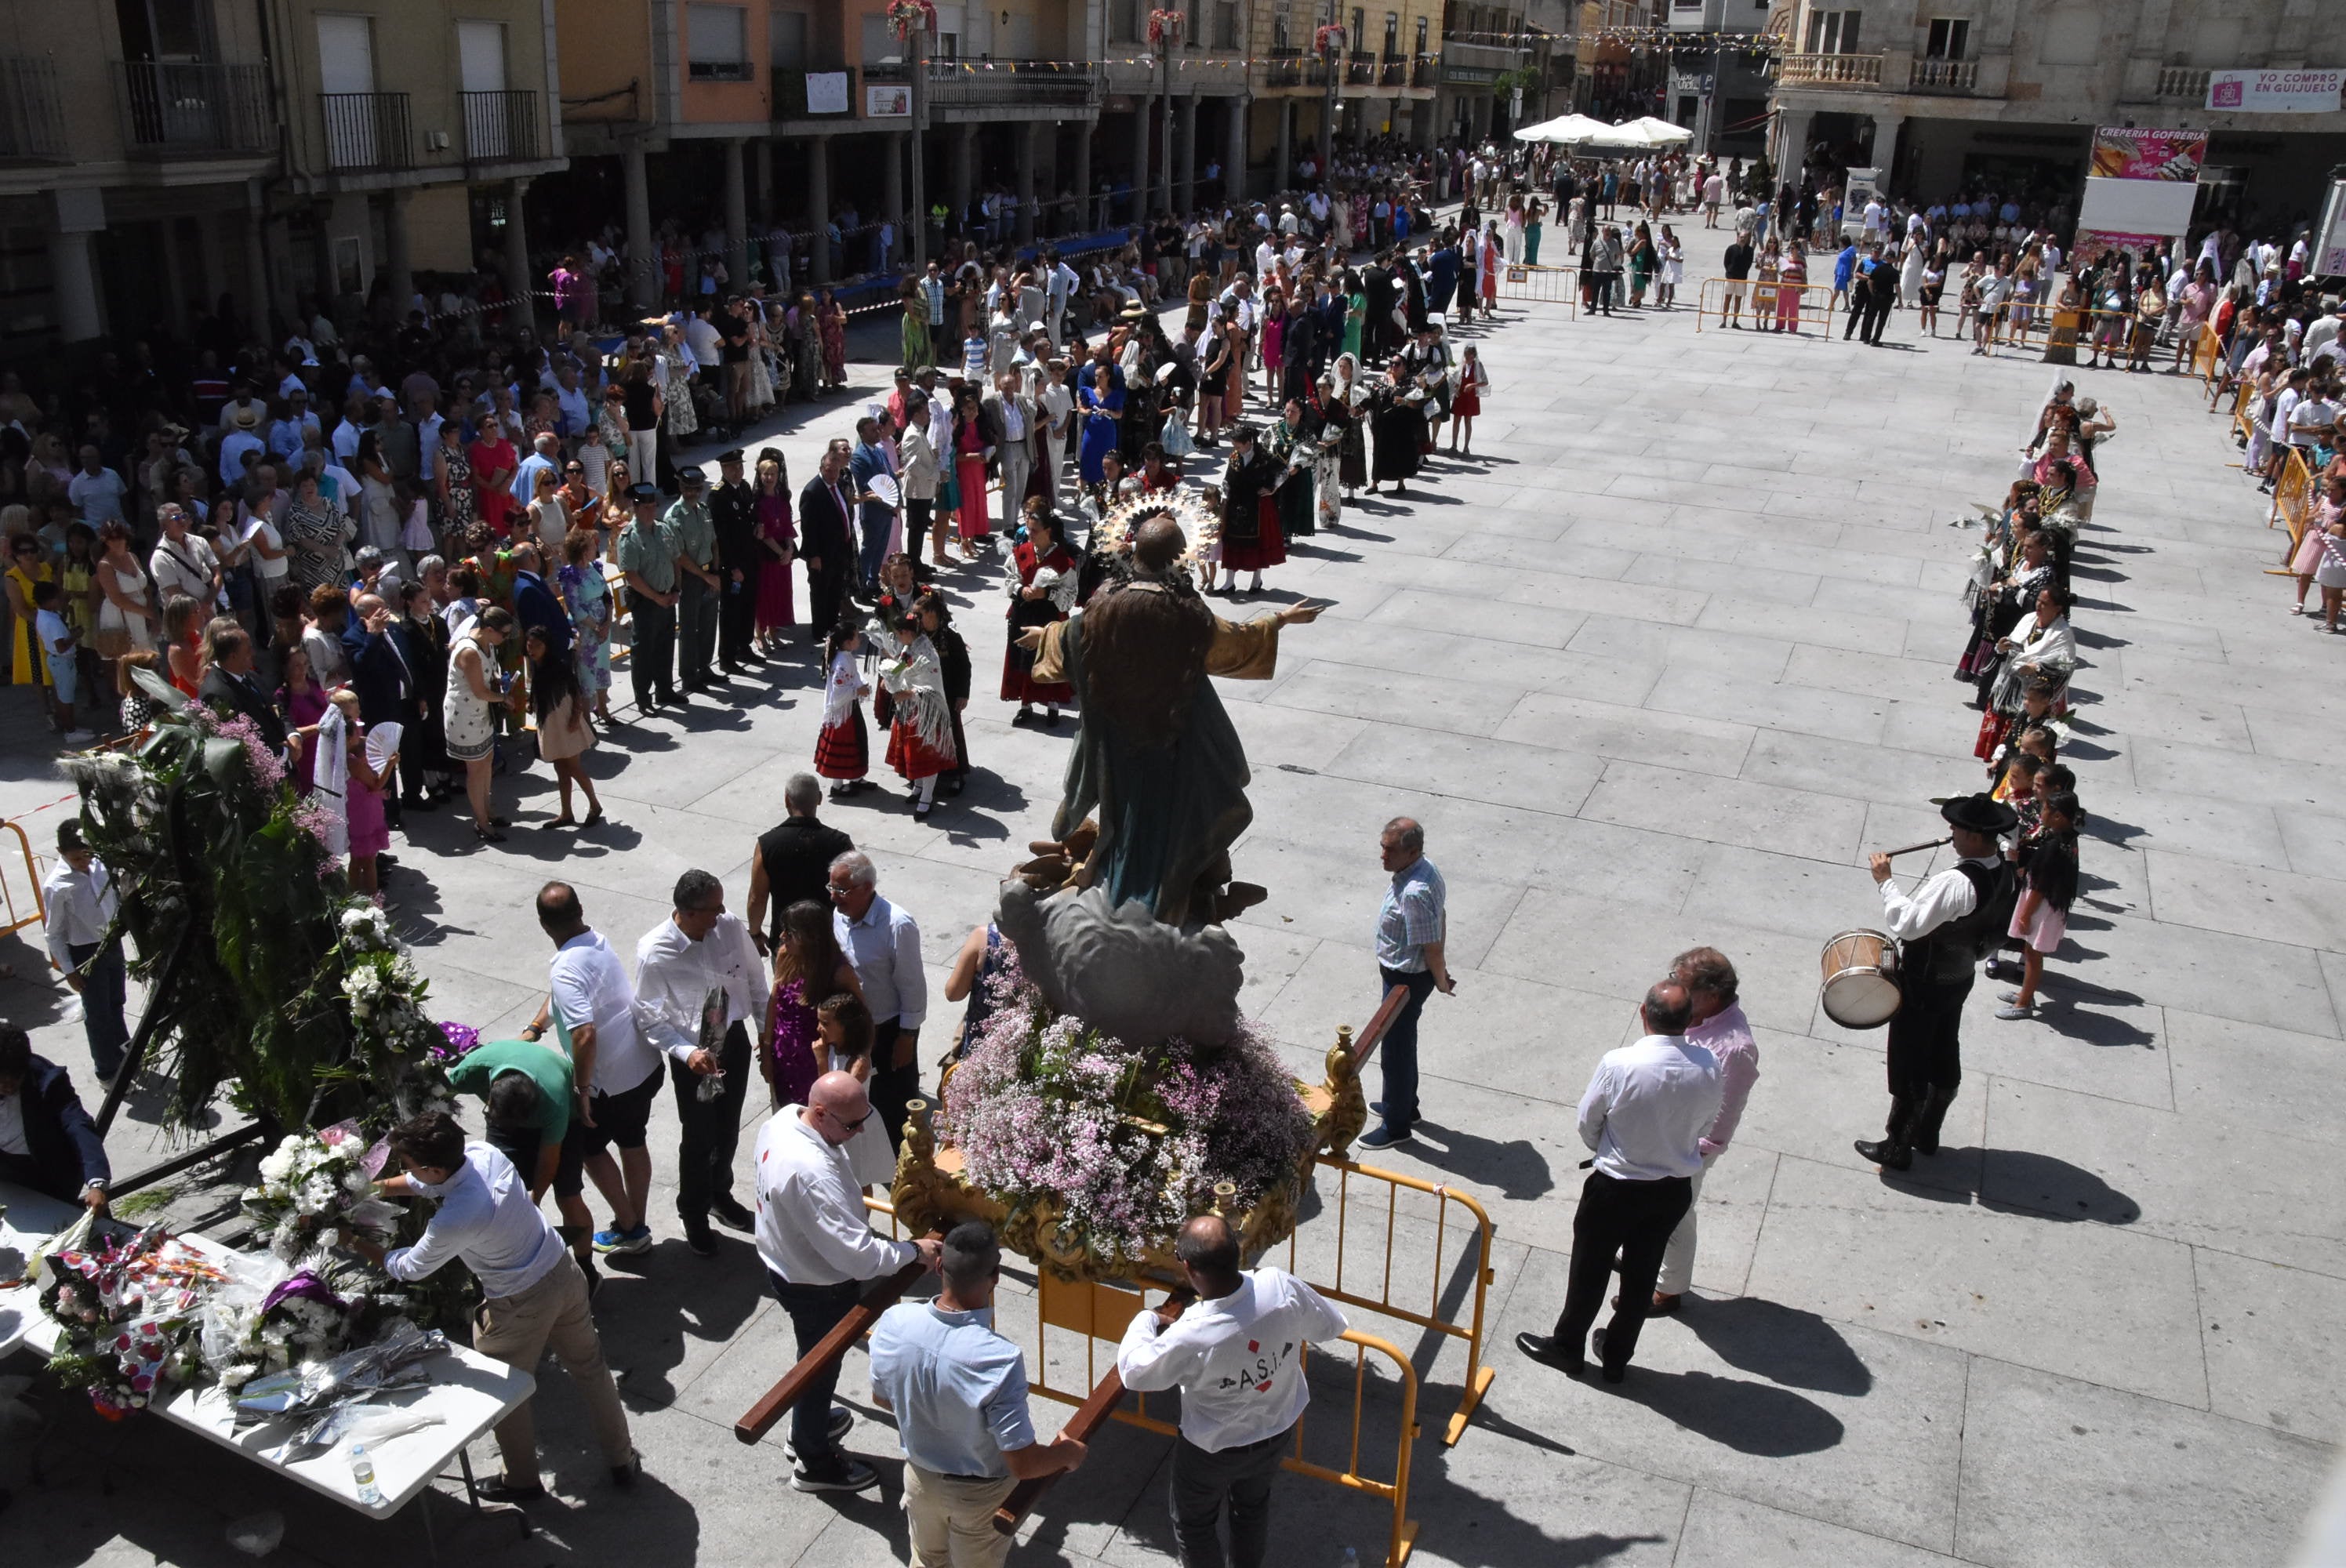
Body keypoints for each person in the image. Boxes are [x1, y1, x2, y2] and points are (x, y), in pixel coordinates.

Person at [343, 1112, 637, 1502]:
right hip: (562, 1272)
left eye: (410, 1164)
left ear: (434, 1167)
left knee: (506, 1390)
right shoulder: (483, 1154)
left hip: (519, 1302)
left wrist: (351, 1241)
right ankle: (622, 1459)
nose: (407, 1171)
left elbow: (410, 1268)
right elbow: (424, 1184)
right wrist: (368, 1191)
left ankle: (522, 1479)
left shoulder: (457, 1217)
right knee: (591, 1368)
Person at [1116, 1214, 1349, 1568]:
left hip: (1211, 1450)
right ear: (1237, 1253)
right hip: (1276, 1429)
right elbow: (1331, 1326)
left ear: (1189, 1268)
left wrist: (1147, 1319)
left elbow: (1135, 1371)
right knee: (1252, 1510)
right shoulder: (1278, 1287)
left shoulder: (1192, 1332)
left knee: (1194, 1525)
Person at [1517, 980, 1719, 1383]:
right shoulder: (1709, 1064)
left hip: (1615, 1188)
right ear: (1689, 1020)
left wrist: (1604, 1149)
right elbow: (1705, 1122)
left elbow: (1588, 1121)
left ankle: (1568, 1347)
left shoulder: (1619, 1064)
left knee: (1589, 1271)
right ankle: (1616, 1356)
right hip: (1672, 1189)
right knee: (1642, 1274)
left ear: (1643, 1014)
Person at [754, 1069, 945, 1492]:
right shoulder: (812, 1173)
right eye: (852, 1125)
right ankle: (812, 1461)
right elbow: (858, 1256)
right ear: (820, 1113)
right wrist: (913, 1251)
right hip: (817, 1285)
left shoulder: (785, 1119)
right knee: (820, 1367)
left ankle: (809, 1425)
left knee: (813, 1358)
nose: (859, 1133)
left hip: (787, 1265)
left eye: (864, 1120)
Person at [870, 1221, 1086, 1565]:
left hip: (920, 1478)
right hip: (978, 1495)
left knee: (925, 1560)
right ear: (995, 1277)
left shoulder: (895, 1322)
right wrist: (1067, 1454)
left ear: (940, 1266)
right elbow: (1023, 1462)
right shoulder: (999, 1359)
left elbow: (882, 1398)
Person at [1854, 793, 2019, 1171]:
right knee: (1944, 1050)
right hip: (1958, 978)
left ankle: (1898, 1146)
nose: (1952, 831)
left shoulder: (1955, 883)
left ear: (1977, 836)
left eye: (1958, 827)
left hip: (1924, 982)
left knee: (1910, 1061)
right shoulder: (2004, 870)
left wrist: (1885, 882)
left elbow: (1908, 925)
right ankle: (1928, 1134)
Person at [522, 881, 662, 1257]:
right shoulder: (595, 942)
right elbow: (565, 1000)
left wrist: (583, 1091)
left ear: (543, 924)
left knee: (590, 1149)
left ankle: (630, 1225)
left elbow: (584, 1033)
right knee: (633, 1141)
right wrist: (536, 1028)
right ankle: (636, 1224)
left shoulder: (565, 969)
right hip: (642, 1069)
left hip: (608, 1084)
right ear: (580, 910)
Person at [633, 868, 768, 1254]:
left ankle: (718, 1194)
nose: (722, 913)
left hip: (733, 1043)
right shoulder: (654, 952)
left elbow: (755, 980)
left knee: (727, 1129)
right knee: (698, 1137)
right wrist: (686, 1052)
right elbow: (649, 1017)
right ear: (688, 911)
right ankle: (692, 1210)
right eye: (714, 908)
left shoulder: (727, 928)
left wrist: (764, 1030)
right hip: (693, 1054)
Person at [1646, 947, 1758, 1316]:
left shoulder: (1734, 1047)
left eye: (1682, 983)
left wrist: (1699, 1152)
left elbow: (1727, 1108)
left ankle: (1669, 1289)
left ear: (1711, 995)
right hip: (1666, 1130)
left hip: (1689, 1147)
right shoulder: (1693, 1018)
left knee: (1677, 1215)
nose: (1672, 988)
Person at [444, 1035, 601, 1290]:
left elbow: (549, 1160)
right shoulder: (470, 1072)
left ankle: (587, 1270)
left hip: (565, 1123)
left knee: (569, 1198)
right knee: (493, 1192)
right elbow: (435, 1094)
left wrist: (534, 1198)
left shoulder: (554, 1103)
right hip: (504, 1116)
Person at [1360, 817, 1454, 1150]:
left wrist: (1441, 981)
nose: (1382, 856)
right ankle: (1405, 1106)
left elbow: (1432, 946)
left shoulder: (1415, 891)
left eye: (1390, 850)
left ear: (1412, 851)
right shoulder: (1422, 869)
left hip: (1405, 981)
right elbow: (1440, 920)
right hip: (1406, 976)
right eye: (1382, 847)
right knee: (1403, 1044)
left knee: (1395, 1053)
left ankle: (1397, 1126)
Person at [827, 850, 924, 1150]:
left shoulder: (897, 925)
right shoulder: (840, 916)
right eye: (831, 888)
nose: (834, 898)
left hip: (890, 1031)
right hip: (853, 1029)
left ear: (867, 888)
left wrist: (907, 1036)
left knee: (896, 1105)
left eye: (841, 890)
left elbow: (912, 986)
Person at [41, 821, 127, 1084]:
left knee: (116, 1002)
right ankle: (107, 1070)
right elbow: (53, 932)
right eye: (76, 859)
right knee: (98, 1014)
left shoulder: (99, 866)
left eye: (87, 855)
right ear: (61, 852)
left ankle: (124, 1050)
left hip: (111, 944)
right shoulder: (57, 886)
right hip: (86, 954)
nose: (84, 863)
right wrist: (69, 970)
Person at [0, 1025, 110, 1209]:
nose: (8, 1088)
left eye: (15, 1080)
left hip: (47, 1169)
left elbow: (77, 1124)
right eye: (2, 1081)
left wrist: (97, 1183)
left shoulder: (48, 1081)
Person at [746, 771, 857, 953]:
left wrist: (755, 933)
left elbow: (757, 897)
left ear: (787, 800)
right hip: (829, 942)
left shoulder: (767, 844)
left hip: (787, 944)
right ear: (820, 799)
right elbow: (855, 891)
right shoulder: (841, 843)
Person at [1998, 791, 2083, 1019]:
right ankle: (2026, 993)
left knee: (2033, 956)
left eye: (2045, 809)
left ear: (2057, 816)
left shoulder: (2054, 847)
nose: (2041, 812)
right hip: (2049, 906)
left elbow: (2039, 887)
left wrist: (2025, 916)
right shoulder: (2068, 838)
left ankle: (2024, 1004)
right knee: (2031, 952)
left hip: (2041, 908)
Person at [445, 605, 518, 842]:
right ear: (488, 629)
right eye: (503, 634)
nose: (505, 639)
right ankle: (482, 822)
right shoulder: (470, 652)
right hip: (466, 716)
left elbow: (489, 677)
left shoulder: (488, 644)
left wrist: (500, 683)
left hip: (481, 713)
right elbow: (479, 690)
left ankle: (488, 811)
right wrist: (504, 698)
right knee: (476, 771)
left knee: (486, 763)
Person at [526, 624, 604, 826]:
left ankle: (595, 805)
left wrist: (575, 719)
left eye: (537, 645)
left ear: (546, 646)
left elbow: (576, 694)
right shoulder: (538, 666)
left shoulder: (558, 667)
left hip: (566, 723)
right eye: (529, 644)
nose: (532, 649)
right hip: (551, 724)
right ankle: (566, 813)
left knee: (574, 768)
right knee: (561, 769)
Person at [616, 482, 681, 713]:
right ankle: (643, 698)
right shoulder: (629, 537)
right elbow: (632, 576)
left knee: (665, 646)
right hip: (646, 602)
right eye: (647, 508)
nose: (652, 511)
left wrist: (676, 590)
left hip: (667, 598)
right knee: (643, 651)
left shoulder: (663, 529)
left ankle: (665, 689)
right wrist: (655, 597)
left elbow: (675, 559)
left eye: (654, 506)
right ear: (635, 507)